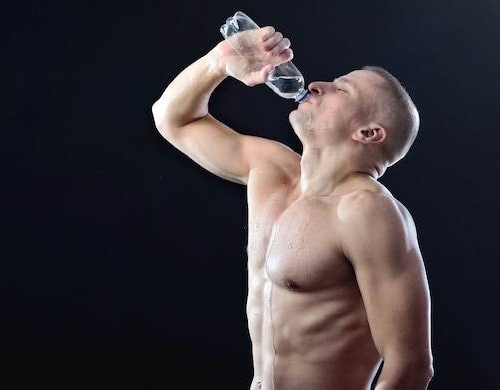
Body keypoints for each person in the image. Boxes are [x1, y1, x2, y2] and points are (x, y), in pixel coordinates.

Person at [152, 20, 434, 390]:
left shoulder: (367, 212)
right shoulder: (269, 172)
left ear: (367, 133)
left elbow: (410, 367)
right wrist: (221, 61)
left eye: (341, 89)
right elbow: (172, 118)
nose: (317, 84)